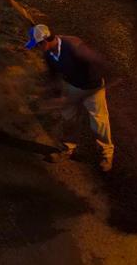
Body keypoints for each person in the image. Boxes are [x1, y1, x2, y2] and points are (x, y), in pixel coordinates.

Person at [26, 24, 115, 172]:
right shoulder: (48, 53)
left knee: (99, 123)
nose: (36, 48)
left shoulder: (73, 45)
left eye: (37, 45)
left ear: (45, 41)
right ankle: (67, 148)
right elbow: (53, 73)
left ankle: (106, 155)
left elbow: (98, 62)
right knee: (69, 118)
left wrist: (90, 89)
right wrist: (54, 92)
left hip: (92, 87)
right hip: (72, 86)